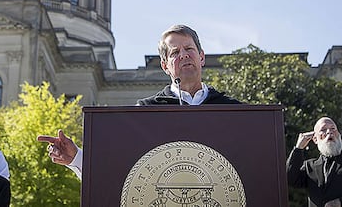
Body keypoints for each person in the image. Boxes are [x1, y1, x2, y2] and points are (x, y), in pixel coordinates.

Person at [37, 24, 240, 178]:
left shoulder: (234, 112)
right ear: (164, 66)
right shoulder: (145, 113)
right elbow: (121, 172)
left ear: (201, 57)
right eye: (175, 53)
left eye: (189, 49)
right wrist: (77, 159)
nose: (184, 56)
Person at [286, 117, 342, 207]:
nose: (329, 132)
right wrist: (298, 149)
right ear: (315, 139)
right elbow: (289, 178)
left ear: (339, 135)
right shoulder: (309, 166)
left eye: (333, 128)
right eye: (323, 129)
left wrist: (340, 203)